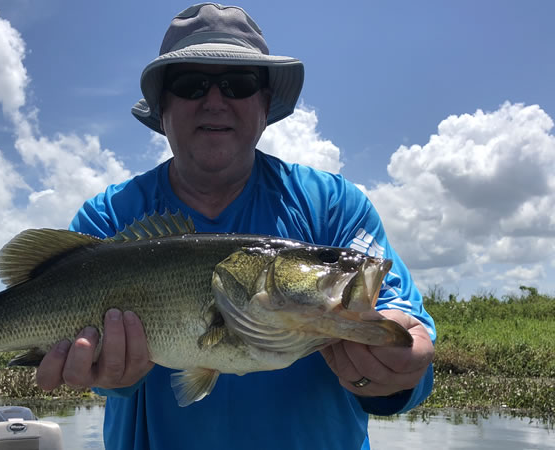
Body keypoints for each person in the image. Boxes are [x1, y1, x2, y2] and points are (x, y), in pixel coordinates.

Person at [35, 3, 436, 449]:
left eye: (239, 83)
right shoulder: (107, 219)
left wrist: (393, 375)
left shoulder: (334, 207)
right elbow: (96, 374)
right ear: (162, 107)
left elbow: (408, 335)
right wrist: (106, 377)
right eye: (190, 84)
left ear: (265, 103)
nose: (214, 100)